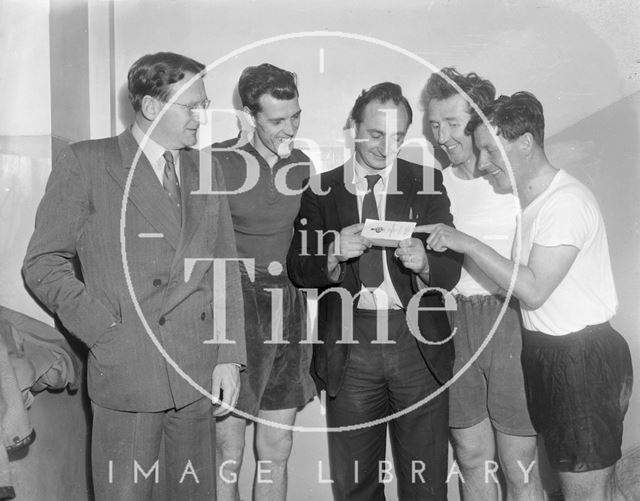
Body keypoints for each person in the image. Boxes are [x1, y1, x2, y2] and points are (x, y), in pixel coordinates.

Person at [22, 52, 246, 501]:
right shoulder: (87, 162)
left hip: (196, 370)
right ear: (150, 107)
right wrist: (105, 332)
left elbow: (223, 266)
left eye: (204, 104)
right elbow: (42, 263)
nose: (202, 118)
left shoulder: (208, 169)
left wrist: (228, 354)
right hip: (128, 371)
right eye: (192, 106)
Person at [422, 91, 633, 501]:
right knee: (585, 485)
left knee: (587, 490)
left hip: (580, 356)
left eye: (490, 150)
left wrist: (469, 243)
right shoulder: (534, 203)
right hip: (549, 352)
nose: (482, 163)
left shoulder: (564, 203)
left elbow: (533, 290)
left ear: (524, 143)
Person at [287, 82, 462, 500]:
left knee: (426, 482)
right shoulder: (319, 188)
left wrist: (426, 264)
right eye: (377, 135)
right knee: (355, 485)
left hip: (415, 342)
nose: (387, 148)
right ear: (353, 126)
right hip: (350, 345)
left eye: (398, 137)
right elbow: (298, 266)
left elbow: (451, 267)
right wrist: (331, 253)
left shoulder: (427, 181)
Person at [422, 68, 542, 499]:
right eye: (435, 125)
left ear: (477, 122)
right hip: (455, 323)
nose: (442, 137)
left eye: (452, 124)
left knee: (519, 464)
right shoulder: (436, 182)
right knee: (471, 455)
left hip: (510, 316)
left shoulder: (512, 180)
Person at [213, 63, 315, 501]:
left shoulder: (303, 164)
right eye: (277, 120)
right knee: (228, 452)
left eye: (295, 115)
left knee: (277, 446)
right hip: (235, 304)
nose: (289, 128)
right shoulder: (217, 162)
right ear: (249, 116)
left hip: (287, 308)